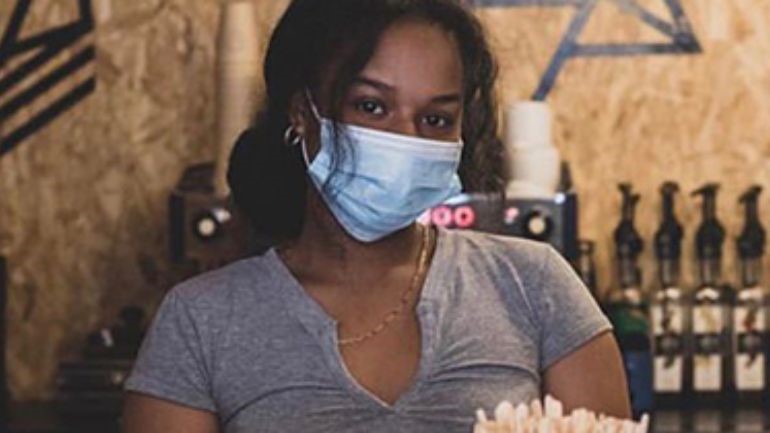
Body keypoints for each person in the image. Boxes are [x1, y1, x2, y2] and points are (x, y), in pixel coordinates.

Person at [122, 0, 630, 432]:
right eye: (370, 106)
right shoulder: (201, 321)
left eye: (435, 119)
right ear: (301, 113)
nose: (406, 139)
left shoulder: (533, 285)